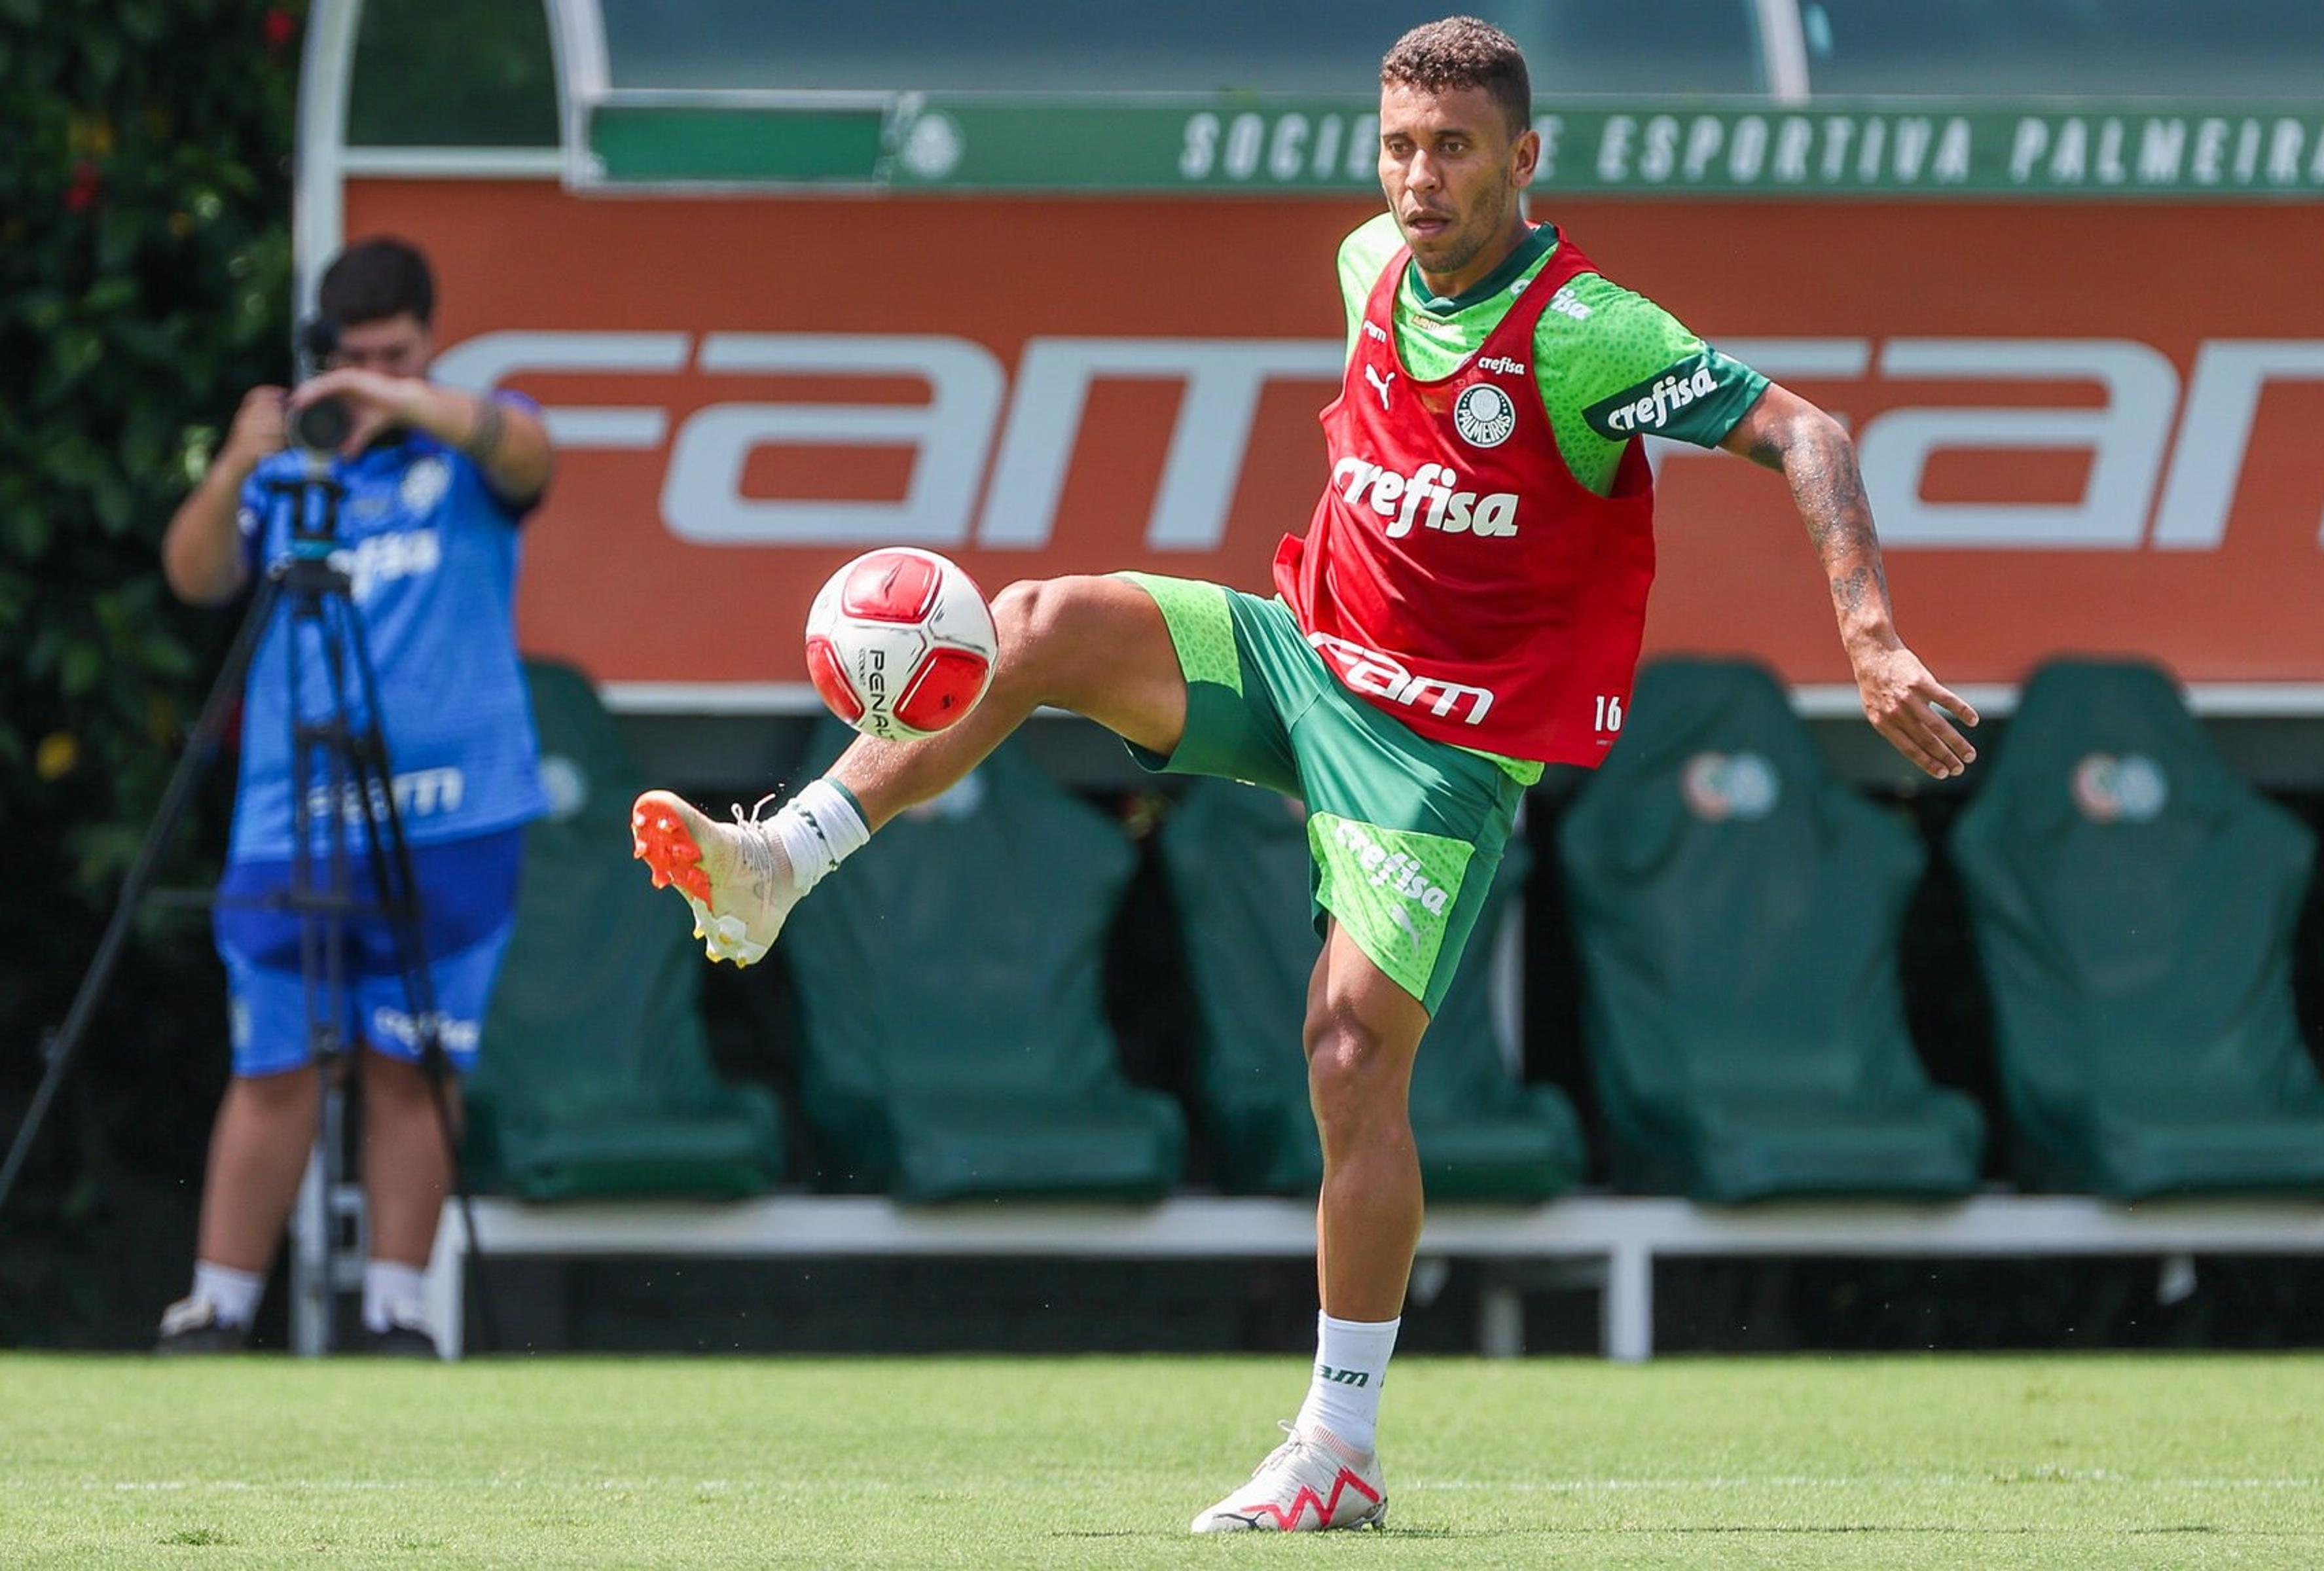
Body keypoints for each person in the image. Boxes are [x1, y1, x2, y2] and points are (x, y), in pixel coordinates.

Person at [632, 15, 1977, 1530]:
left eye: (1455, 149)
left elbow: (1811, 431)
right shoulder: (1366, 267)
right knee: (1042, 626)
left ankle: (1337, 1445)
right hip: (1304, 662)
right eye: (1400, 145)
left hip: (1445, 752)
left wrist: (1867, 639)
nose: (1420, 177)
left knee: (1348, 1062)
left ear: (1524, 160)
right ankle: (778, 862)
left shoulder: (1591, 330)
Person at [155, 236, 553, 1356]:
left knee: (415, 1063)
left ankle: (394, 1311)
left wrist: (407, 401)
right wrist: (240, 463)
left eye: (399, 353)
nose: (375, 376)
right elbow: (195, 577)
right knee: (278, 1060)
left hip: (462, 812)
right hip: (297, 814)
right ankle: (218, 1308)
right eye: (359, 358)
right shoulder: (293, 462)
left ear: (428, 344)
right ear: (323, 351)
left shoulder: (469, 436)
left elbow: (528, 453)